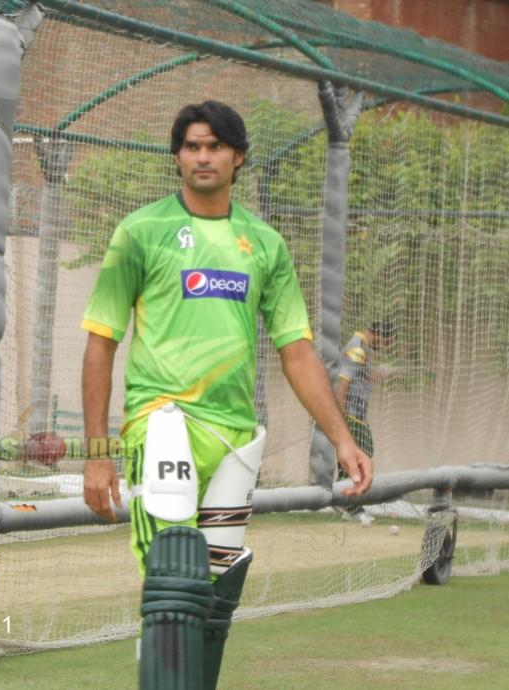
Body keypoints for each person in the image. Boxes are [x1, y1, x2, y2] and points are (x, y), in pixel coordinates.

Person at [79, 101, 373, 689]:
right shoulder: (140, 233)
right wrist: (97, 452)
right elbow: (101, 345)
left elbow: (297, 351)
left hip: (235, 437)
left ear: (237, 157)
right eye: (191, 146)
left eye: (214, 146)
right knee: (175, 581)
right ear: (177, 157)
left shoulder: (263, 244)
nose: (203, 156)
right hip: (162, 422)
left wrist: (342, 438)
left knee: (216, 596)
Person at [335, 321, 396, 522]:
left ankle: (344, 500)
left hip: (357, 414)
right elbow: (343, 384)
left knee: (362, 454)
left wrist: (381, 373)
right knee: (361, 456)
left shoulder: (363, 349)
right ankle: (350, 505)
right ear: (375, 334)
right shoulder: (357, 349)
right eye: (385, 342)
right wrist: (340, 420)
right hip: (350, 415)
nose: (385, 346)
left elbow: (363, 378)